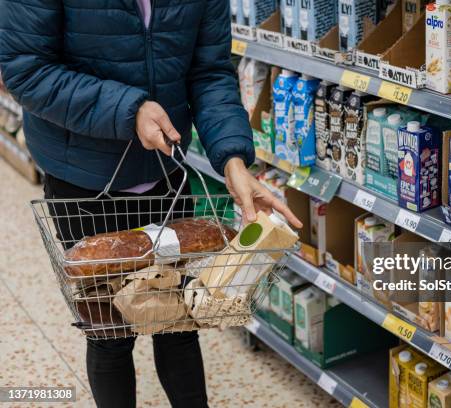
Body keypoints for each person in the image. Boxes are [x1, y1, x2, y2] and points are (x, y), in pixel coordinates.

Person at [0, 1, 301, 407]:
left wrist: (232, 159)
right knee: (110, 334)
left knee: (178, 322)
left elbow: (209, 72)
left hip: (165, 172)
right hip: (83, 179)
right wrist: (129, 109)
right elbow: (26, 69)